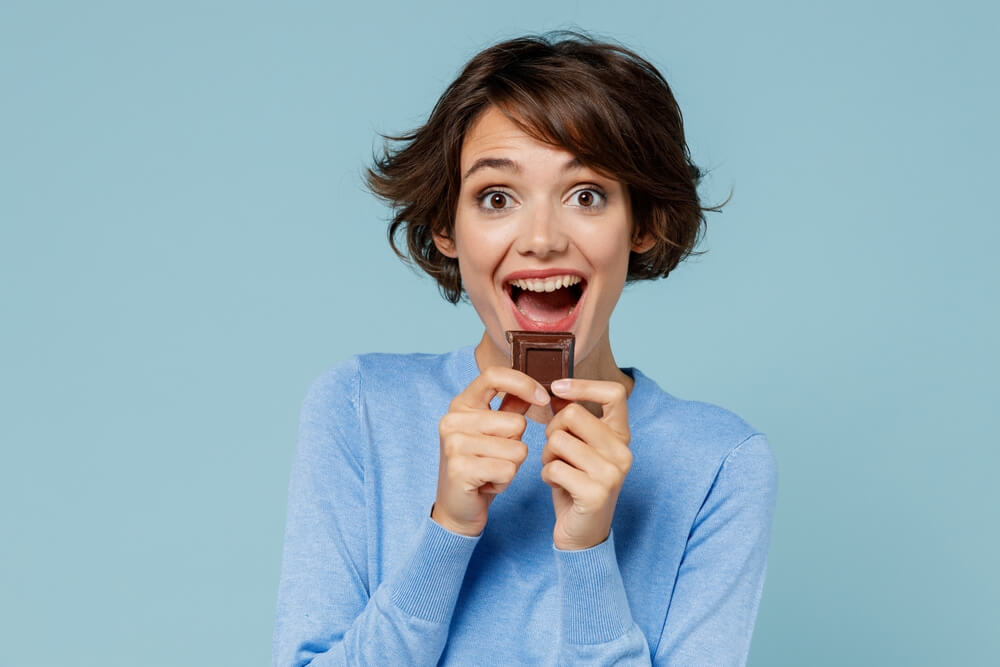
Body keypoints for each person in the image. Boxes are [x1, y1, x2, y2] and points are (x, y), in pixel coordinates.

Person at [272, 31, 777, 666]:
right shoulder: (358, 406)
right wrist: (447, 530)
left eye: (586, 195)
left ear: (643, 223)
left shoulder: (721, 463)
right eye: (497, 197)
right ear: (445, 227)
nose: (541, 239)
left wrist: (589, 551)